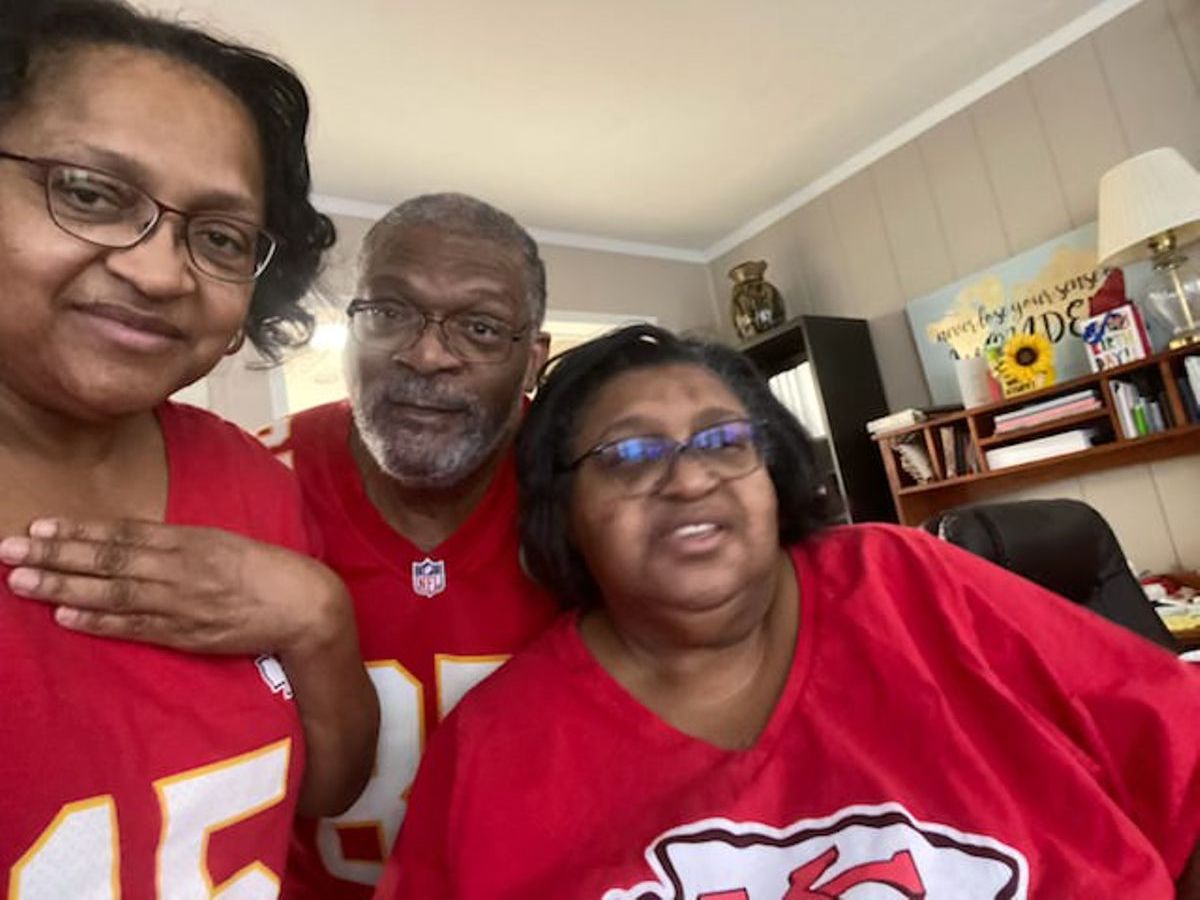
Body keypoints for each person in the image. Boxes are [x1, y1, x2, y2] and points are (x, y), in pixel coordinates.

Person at [379, 323, 1200, 898]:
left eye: (724, 440)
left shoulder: (905, 579)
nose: (691, 478)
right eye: (629, 454)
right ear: (563, 508)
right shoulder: (496, 747)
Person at [0, 1, 378, 895]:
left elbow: (328, 788)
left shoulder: (250, 479)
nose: (160, 271)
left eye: (218, 237)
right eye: (90, 193)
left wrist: (317, 619)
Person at [257, 193, 559, 897]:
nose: (426, 355)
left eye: (480, 327)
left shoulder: (589, 487)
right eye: (389, 312)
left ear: (532, 359)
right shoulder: (250, 486)